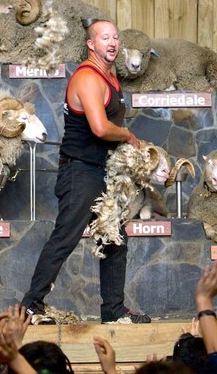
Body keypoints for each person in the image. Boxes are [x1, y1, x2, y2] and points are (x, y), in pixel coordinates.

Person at [20, 18, 149, 325]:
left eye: (116, 37)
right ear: (92, 44)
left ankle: (114, 312)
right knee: (65, 237)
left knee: (114, 239)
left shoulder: (111, 77)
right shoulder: (88, 78)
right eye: (106, 38)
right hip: (80, 172)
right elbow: (101, 128)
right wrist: (130, 137)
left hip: (103, 173)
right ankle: (30, 305)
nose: (113, 43)